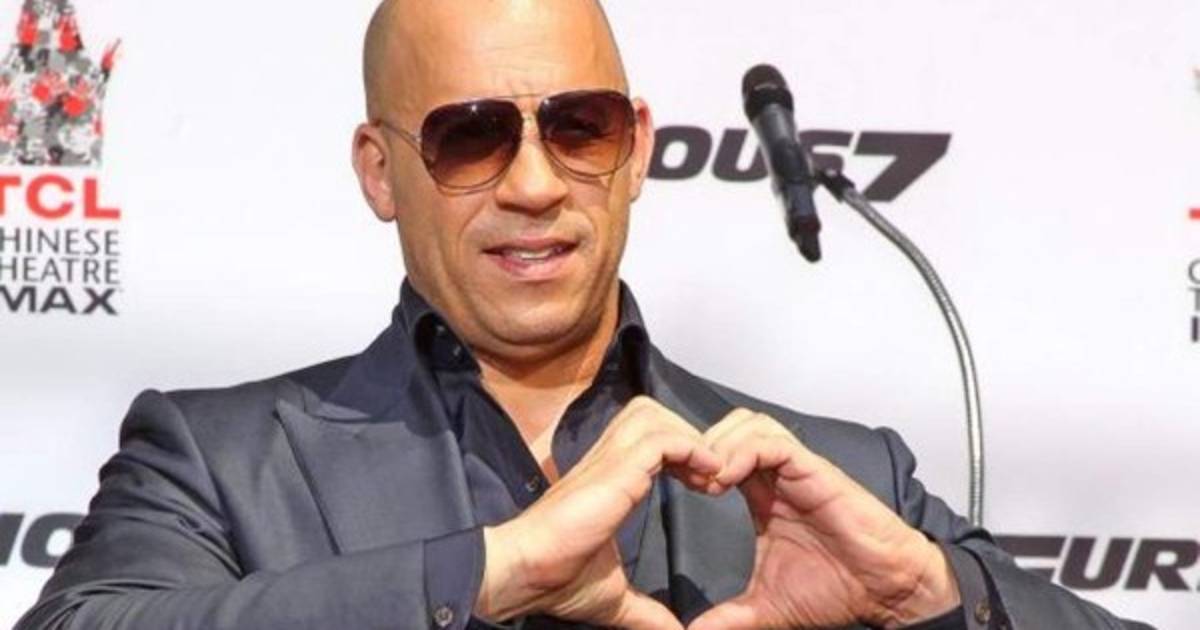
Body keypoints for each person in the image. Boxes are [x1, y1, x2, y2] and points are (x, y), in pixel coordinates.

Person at [17, 1, 1149, 629]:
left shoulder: (843, 479)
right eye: (470, 136)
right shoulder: (220, 461)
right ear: (379, 169)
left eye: (579, 127)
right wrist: (487, 572)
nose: (534, 183)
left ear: (637, 149)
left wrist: (927, 596)